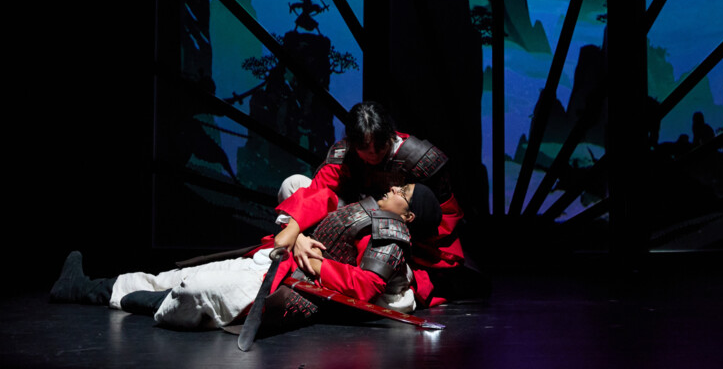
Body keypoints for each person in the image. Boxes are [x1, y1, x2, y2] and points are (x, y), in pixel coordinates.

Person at [49, 184, 443, 332]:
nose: (394, 188)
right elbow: (321, 199)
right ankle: (83, 287)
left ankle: (108, 295)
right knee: (170, 278)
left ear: (408, 216)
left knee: (196, 291)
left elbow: (366, 286)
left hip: (288, 284)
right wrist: (296, 234)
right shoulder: (366, 208)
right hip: (275, 261)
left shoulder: (390, 237)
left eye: (403, 192)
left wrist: (314, 262)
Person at [274, 101, 481, 306]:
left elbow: (444, 219)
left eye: (380, 146)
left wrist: (395, 232)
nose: (373, 154)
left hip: (400, 242)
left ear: (390, 134)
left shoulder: (422, 161)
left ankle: (382, 285)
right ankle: (304, 249)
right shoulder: (344, 155)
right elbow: (317, 192)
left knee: (390, 290)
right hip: (350, 225)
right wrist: (298, 234)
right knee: (294, 183)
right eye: (364, 148)